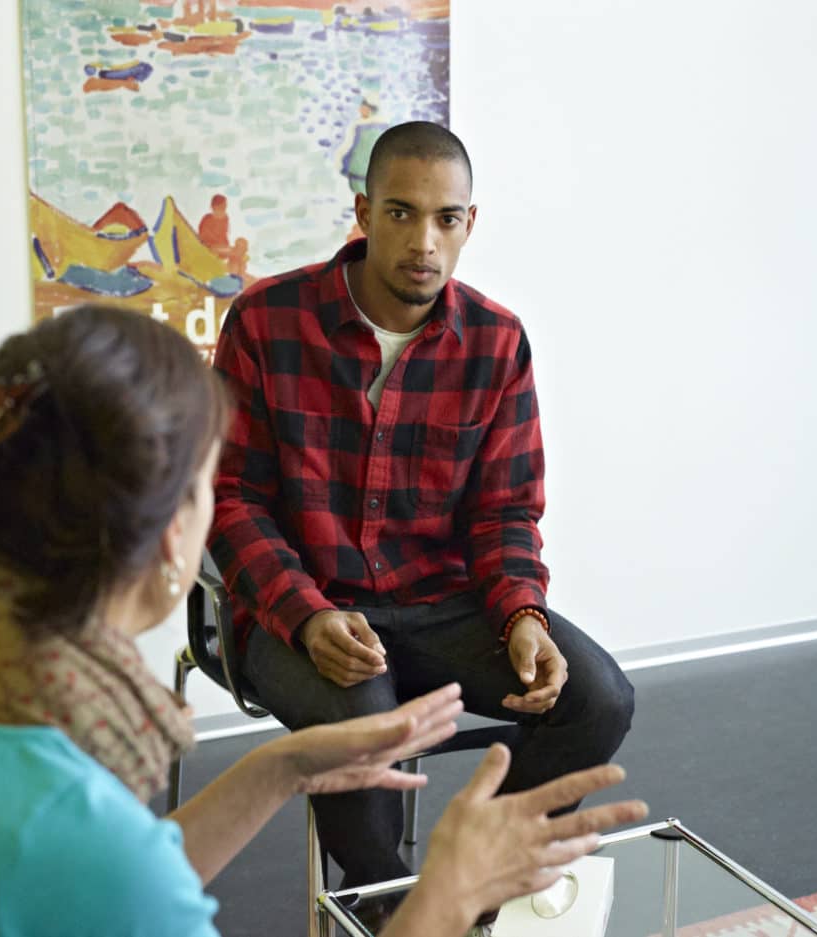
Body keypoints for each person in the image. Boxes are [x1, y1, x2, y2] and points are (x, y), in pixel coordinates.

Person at [0, 305, 646, 936]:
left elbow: (110, 877)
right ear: (177, 535)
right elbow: (106, 874)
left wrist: (283, 764)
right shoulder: (80, 832)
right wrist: (446, 896)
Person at [210, 121, 638, 903]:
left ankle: (477, 884)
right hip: (300, 605)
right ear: (363, 212)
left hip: (444, 605)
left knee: (598, 697)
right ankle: (385, 904)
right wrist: (306, 614)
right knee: (366, 720)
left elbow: (505, 512)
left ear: (469, 223)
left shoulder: (497, 343)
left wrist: (522, 615)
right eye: (401, 213)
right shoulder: (266, 322)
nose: (424, 242)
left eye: (446, 219)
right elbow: (231, 499)